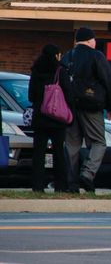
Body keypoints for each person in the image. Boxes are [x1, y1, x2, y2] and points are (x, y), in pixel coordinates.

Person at [61, 26, 111, 193]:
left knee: (71, 146)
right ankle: (87, 173)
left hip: (70, 107)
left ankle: (71, 185)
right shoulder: (97, 56)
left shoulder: (67, 57)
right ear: (91, 40)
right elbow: (108, 81)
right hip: (92, 106)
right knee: (98, 142)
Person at [28, 44, 74, 193]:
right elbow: (69, 95)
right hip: (57, 118)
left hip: (40, 117)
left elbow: (31, 96)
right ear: (56, 55)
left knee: (38, 153)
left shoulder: (36, 70)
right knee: (58, 152)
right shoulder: (60, 71)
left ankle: (37, 186)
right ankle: (61, 185)